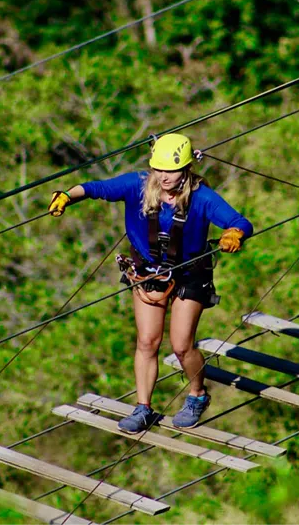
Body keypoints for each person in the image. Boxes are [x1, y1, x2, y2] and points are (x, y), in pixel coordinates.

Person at [47, 133, 253, 433]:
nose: (164, 177)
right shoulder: (137, 185)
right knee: (147, 341)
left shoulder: (202, 198)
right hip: (149, 273)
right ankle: (143, 407)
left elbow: (240, 220)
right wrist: (66, 195)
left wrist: (235, 233)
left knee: (182, 345)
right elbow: (94, 188)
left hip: (189, 273)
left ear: (186, 170)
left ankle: (197, 395)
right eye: (158, 170)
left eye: (170, 171)